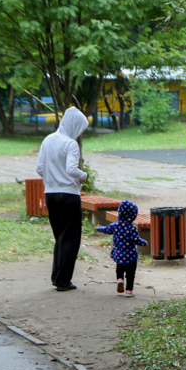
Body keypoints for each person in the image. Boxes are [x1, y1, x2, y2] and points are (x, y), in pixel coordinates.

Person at [36, 106, 89, 291]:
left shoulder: (48, 140)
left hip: (50, 195)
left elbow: (39, 168)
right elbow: (71, 170)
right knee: (70, 238)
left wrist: (52, 180)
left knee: (60, 237)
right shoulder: (70, 144)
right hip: (69, 196)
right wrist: (85, 175)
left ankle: (56, 277)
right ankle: (63, 281)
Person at [95, 200, 148, 297]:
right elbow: (135, 239)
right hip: (130, 256)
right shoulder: (132, 228)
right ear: (133, 216)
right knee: (130, 273)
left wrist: (99, 228)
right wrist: (144, 242)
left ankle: (120, 279)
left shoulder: (115, 226)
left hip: (118, 254)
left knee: (119, 268)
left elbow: (106, 229)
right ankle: (129, 290)